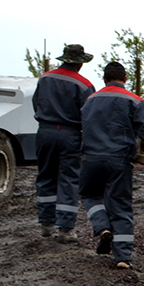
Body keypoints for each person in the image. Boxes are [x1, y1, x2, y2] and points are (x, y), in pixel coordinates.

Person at [79, 61, 144, 269]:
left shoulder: (90, 100)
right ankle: (123, 257)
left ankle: (102, 227)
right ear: (125, 79)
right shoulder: (134, 101)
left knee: (90, 195)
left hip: (90, 158)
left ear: (105, 79)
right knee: (120, 204)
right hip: (118, 160)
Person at [33, 44, 96, 243]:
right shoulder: (84, 85)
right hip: (69, 134)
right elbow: (88, 115)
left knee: (45, 175)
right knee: (69, 179)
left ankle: (46, 223)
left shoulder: (45, 78)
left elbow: (36, 102)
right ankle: (66, 228)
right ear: (80, 62)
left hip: (45, 131)